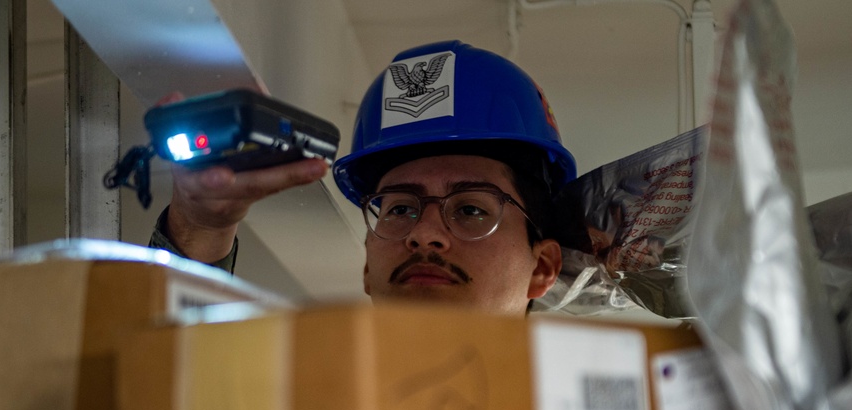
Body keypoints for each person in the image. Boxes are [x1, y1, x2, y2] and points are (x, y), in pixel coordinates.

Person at [150, 40, 581, 316]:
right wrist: (200, 227)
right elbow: (148, 401)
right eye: (399, 208)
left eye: (470, 209)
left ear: (542, 267)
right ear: (367, 270)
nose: (424, 234)